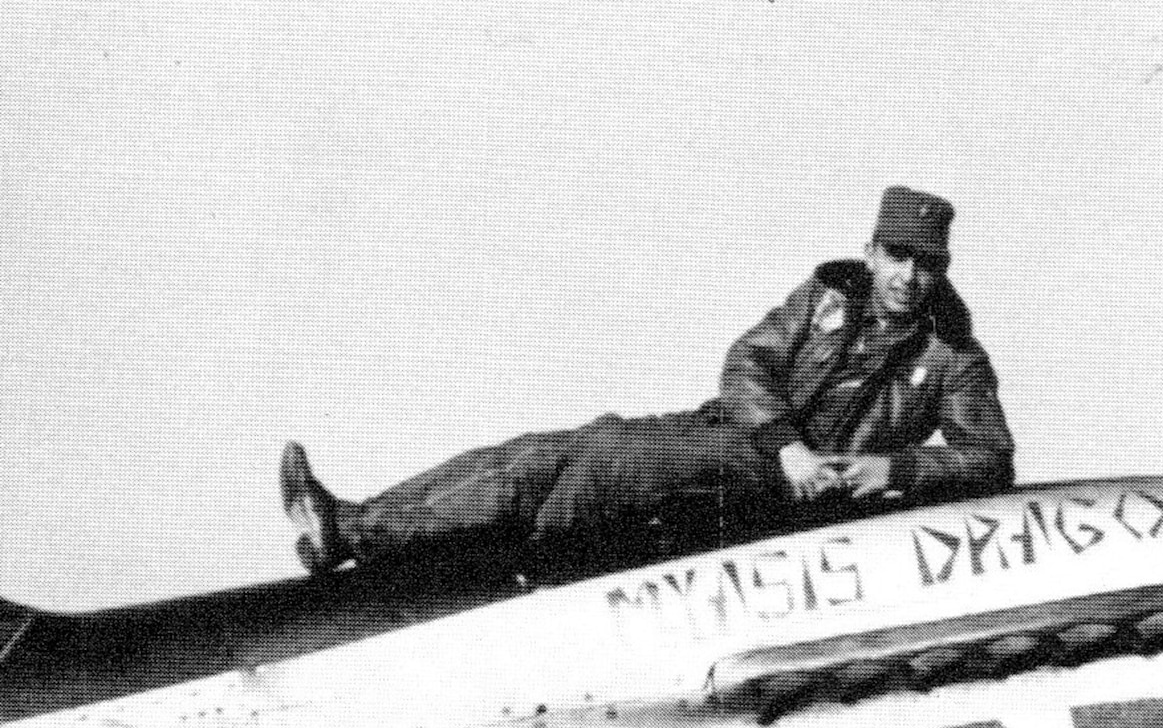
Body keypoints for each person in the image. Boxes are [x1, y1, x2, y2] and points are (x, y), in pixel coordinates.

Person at [283, 186, 1015, 573]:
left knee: (594, 475)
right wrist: (786, 442)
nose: (908, 277)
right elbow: (746, 363)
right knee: (559, 454)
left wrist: (893, 467)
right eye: (897, 257)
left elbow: (990, 458)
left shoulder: (952, 355)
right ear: (872, 251)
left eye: (926, 264)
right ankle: (351, 527)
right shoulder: (828, 296)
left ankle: (361, 536)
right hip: (747, 444)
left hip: (777, 489)